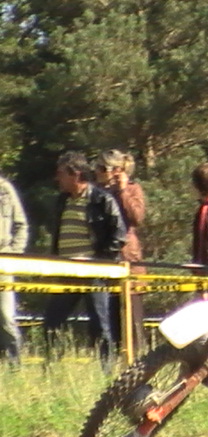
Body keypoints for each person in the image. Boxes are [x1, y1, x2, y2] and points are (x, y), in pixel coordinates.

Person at [44, 151, 126, 368]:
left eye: (61, 173)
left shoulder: (102, 200)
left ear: (76, 174)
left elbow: (119, 236)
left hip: (93, 274)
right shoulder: (62, 201)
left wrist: (99, 263)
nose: (58, 178)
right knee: (52, 322)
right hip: (66, 274)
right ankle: (52, 369)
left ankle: (106, 372)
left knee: (100, 326)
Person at [94, 149, 148, 352]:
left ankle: (139, 363)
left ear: (116, 170)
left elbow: (137, 217)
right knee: (110, 323)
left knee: (133, 325)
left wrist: (123, 191)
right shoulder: (96, 192)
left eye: (102, 168)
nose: (97, 171)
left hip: (128, 261)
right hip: (104, 261)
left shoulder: (133, 189)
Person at [0, 174, 28, 366]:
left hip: (4, 260)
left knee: (6, 317)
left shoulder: (5, 189)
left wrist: (14, 255)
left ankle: (15, 367)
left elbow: (21, 224)